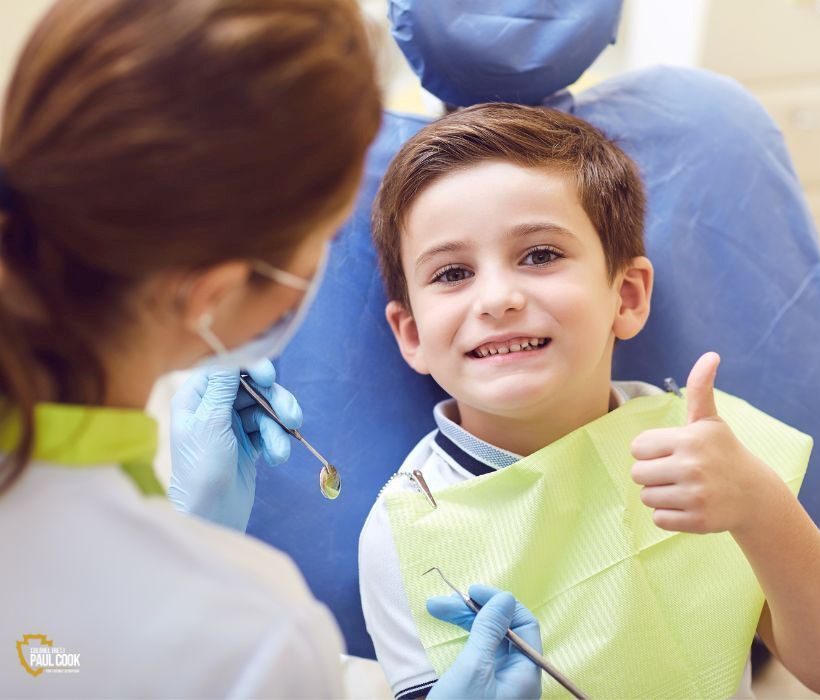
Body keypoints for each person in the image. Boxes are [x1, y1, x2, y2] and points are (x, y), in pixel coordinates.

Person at [0, 1, 542, 696]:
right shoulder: (254, 636)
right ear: (212, 295)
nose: (498, 300)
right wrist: (195, 564)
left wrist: (185, 535)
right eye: (326, 238)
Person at [359, 103, 820, 699]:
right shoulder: (406, 535)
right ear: (412, 335)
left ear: (627, 296)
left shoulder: (706, 451)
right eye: (452, 273)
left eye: (540, 255)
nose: (498, 298)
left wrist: (761, 507)